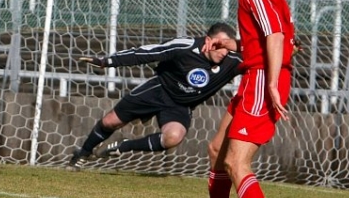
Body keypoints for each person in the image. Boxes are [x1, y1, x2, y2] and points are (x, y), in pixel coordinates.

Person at [179, 0, 294, 198]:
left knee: (236, 162)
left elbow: (275, 36)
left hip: (261, 80)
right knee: (217, 150)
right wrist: (232, 44)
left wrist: (270, 82)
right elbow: (271, 37)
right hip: (255, 77)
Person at [68, 22, 242, 170]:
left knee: (173, 137)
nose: (223, 52)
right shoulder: (185, 46)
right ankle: (82, 154)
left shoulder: (234, 60)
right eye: (220, 45)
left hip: (180, 105)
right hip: (159, 89)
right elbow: (147, 52)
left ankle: (123, 146)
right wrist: (107, 61)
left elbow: (262, 52)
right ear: (208, 40)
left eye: (227, 47)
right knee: (110, 121)